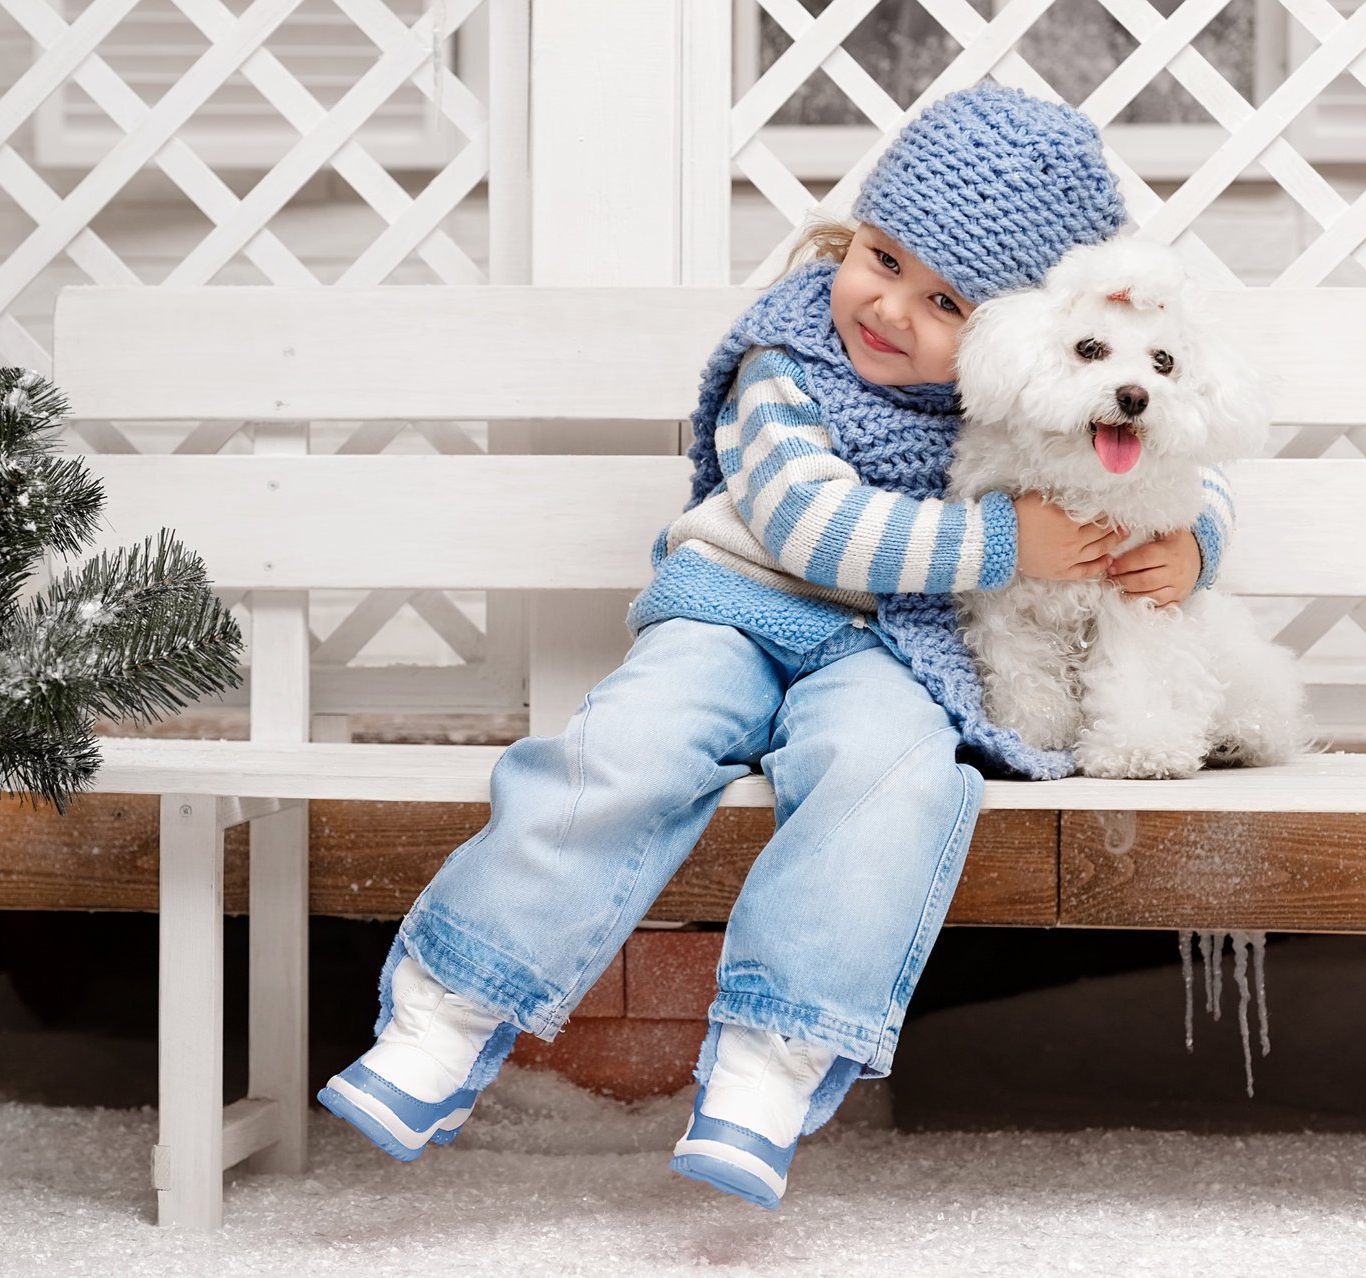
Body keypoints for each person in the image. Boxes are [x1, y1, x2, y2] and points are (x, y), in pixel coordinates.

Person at [317, 83, 1230, 1210]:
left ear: (1013, 337)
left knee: (891, 777)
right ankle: (451, 1006)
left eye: (945, 301)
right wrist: (1004, 541)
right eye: (882, 258)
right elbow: (812, 526)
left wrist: (1196, 546)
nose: (892, 308)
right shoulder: (784, 360)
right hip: (732, 614)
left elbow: (1173, 467)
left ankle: (773, 1058)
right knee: (632, 748)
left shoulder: (1015, 398)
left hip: (887, 653)